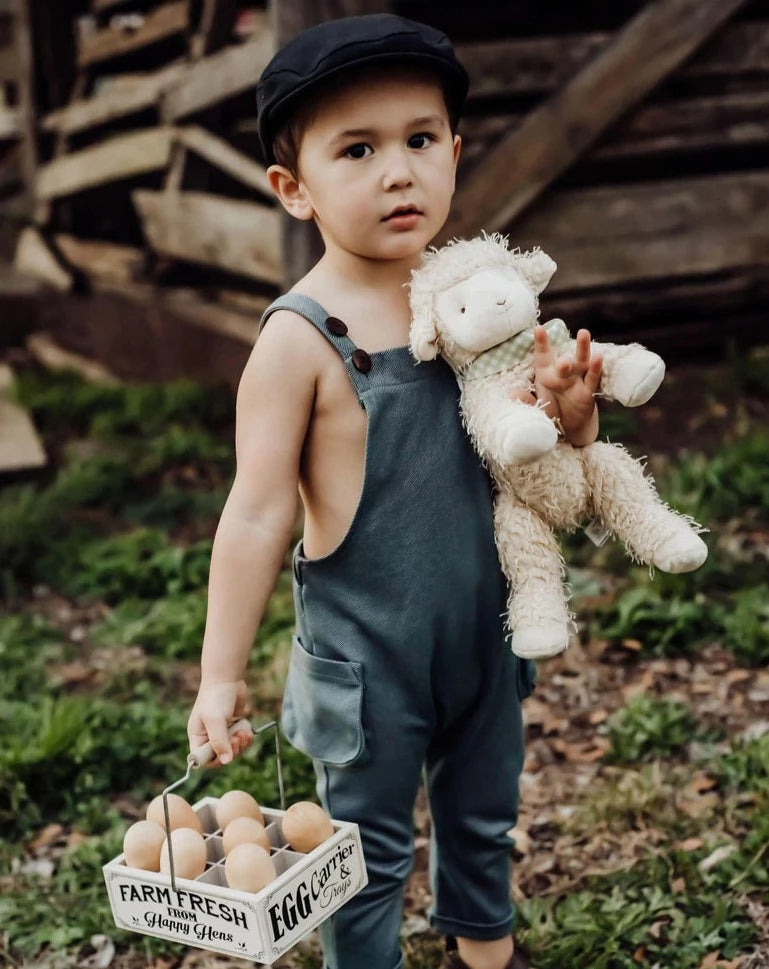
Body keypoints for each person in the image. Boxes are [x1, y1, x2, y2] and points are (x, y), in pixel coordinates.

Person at [186, 14, 602, 969]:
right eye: (357, 150)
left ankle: (482, 953)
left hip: (482, 630)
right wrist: (219, 673)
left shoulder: (482, 305)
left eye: (419, 140)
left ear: (454, 152)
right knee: (362, 852)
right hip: (364, 656)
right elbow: (255, 510)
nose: (398, 172)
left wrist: (573, 413)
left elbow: (544, 452)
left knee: (482, 814)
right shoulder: (297, 340)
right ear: (294, 189)